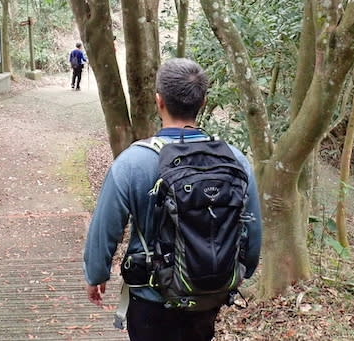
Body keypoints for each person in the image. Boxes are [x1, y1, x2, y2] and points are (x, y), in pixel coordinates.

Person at [83, 58, 262, 341]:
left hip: (150, 298)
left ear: (159, 101)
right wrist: (239, 271)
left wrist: (96, 274)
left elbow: (106, 228)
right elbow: (251, 231)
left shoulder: (133, 162)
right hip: (208, 294)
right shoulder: (235, 160)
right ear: (203, 102)